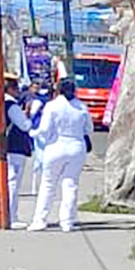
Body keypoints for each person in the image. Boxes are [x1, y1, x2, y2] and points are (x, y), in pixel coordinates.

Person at [28, 78, 93, 233]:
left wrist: (33, 133)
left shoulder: (52, 106)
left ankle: (40, 220)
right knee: (70, 185)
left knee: (48, 184)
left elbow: (44, 129)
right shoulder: (81, 107)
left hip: (55, 146)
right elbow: (89, 128)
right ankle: (67, 221)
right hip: (76, 147)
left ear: (58, 90)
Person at [1, 77, 33, 225]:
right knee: (13, 182)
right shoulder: (12, 106)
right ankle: (12, 216)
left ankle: (7, 214)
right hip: (15, 146)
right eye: (16, 89)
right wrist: (28, 115)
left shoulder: (0, 104)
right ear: (10, 90)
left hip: (5, 145)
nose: (18, 92)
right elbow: (25, 125)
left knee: (8, 181)